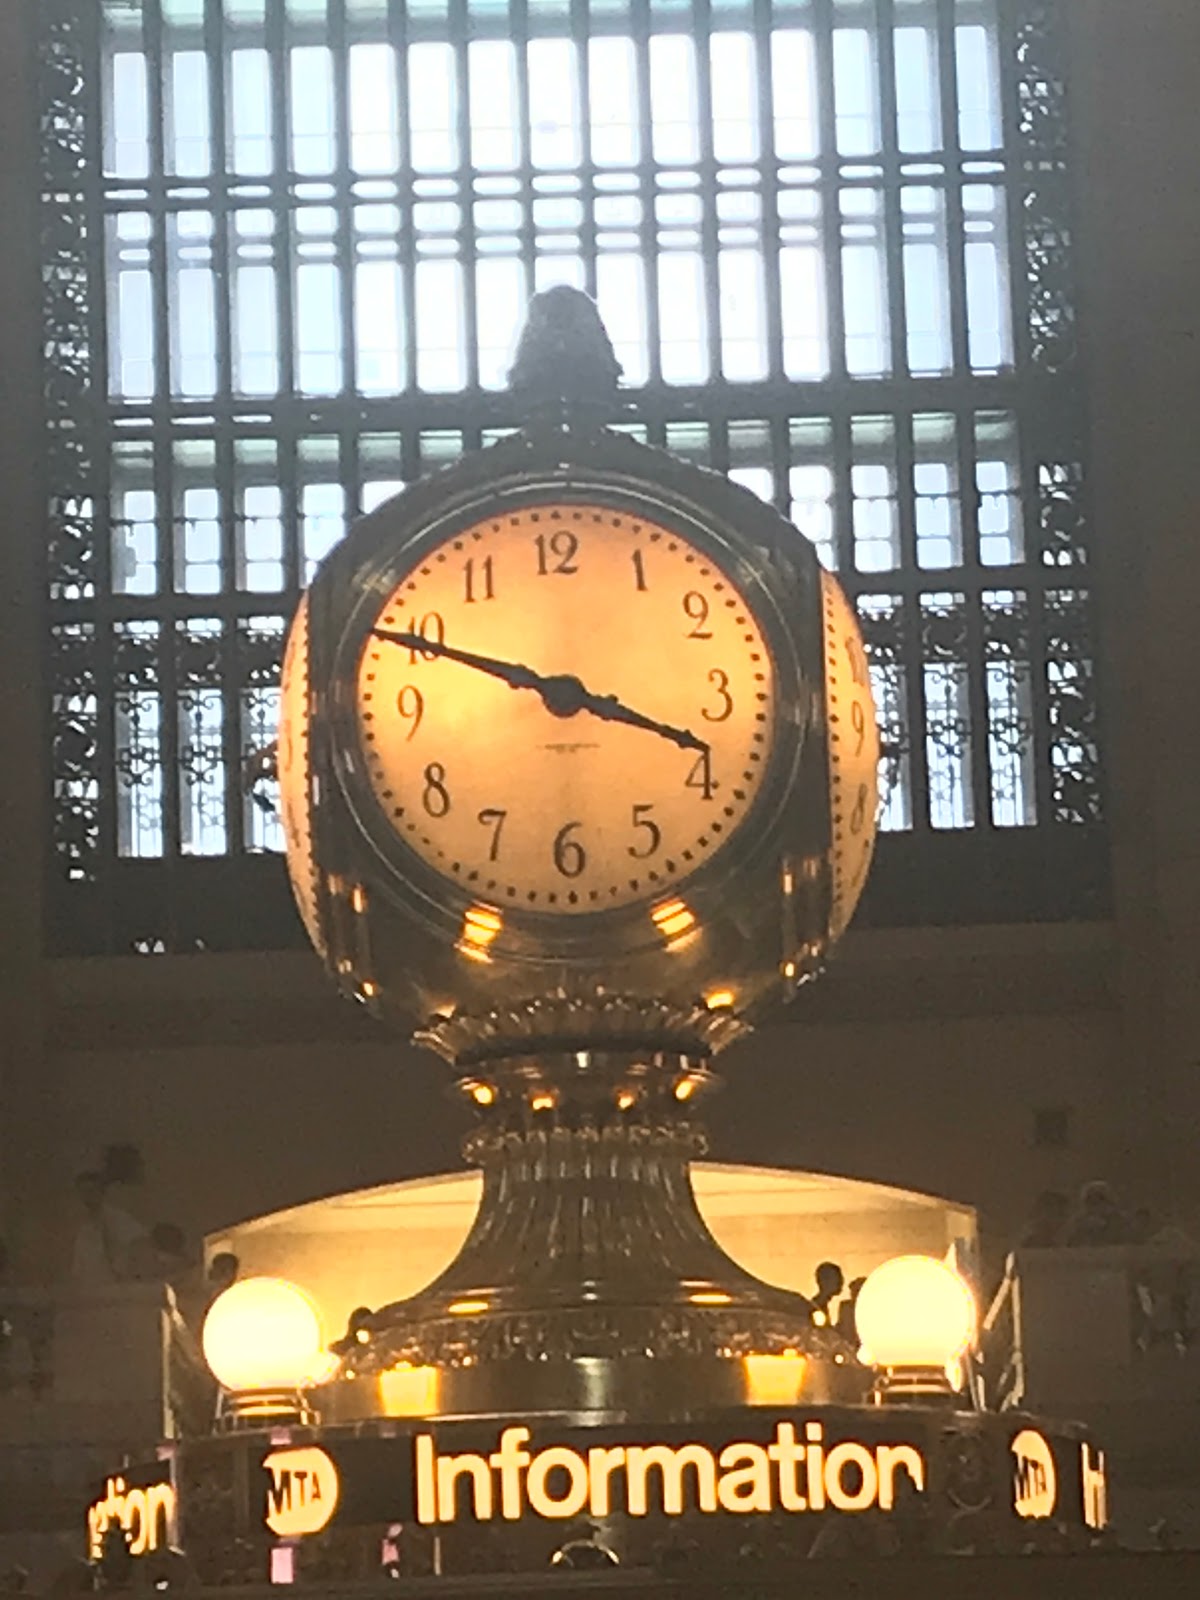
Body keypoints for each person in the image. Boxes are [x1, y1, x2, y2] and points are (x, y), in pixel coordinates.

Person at [69, 1171, 148, 1286]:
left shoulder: (118, 1219)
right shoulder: (83, 1228)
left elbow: (141, 1243)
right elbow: (78, 1267)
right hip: (90, 1288)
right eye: (83, 1192)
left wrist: (124, 1271)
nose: (87, 1197)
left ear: (102, 1193)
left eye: (91, 1191)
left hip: (114, 1287)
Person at [1064, 1180, 1128, 1246]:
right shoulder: (1078, 1222)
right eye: (1090, 1202)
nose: (1095, 1208)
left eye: (1099, 1200)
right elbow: (1070, 1244)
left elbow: (1125, 1243)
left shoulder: (1120, 1220)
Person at [811, 1261, 844, 1328]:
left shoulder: (821, 1305)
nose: (841, 1281)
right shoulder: (815, 1308)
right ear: (824, 1280)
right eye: (837, 1277)